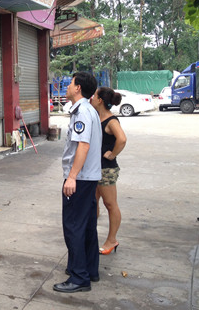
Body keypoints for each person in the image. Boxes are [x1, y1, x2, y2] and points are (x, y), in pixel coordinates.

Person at [54, 72, 102, 294]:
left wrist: (72, 176)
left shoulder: (82, 111)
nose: (67, 86)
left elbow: (83, 146)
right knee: (87, 225)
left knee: (73, 226)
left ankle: (79, 277)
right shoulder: (88, 110)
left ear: (78, 88)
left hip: (80, 179)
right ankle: (88, 269)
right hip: (89, 178)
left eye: (71, 83)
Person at [91, 87, 127, 255]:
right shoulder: (96, 116)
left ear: (100, 100)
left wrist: (112, 154)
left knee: (110, 204)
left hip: (106, 169)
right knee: (93, 203)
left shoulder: (111, 121)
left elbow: (122, 139)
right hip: (93, 168)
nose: (91, 97)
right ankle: (90, 236)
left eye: (94, 95)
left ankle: (112, 240)